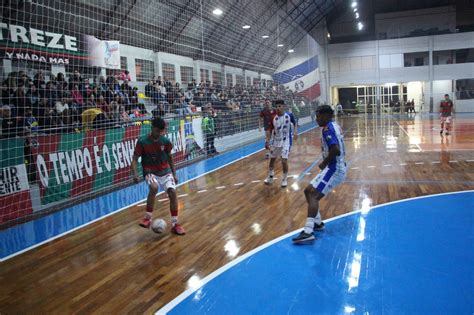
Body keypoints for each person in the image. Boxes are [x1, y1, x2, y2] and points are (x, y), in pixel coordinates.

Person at [292, 105, 347, 244]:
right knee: (307, 191)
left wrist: (324, 163)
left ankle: (308, 231)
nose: (317, 119)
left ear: (327, 116)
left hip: (334, 168)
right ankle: (318, 223)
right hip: (331, 167)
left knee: (314, 196)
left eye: (319, 116)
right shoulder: (333, 125)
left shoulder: (328, 129)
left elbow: (336, 150)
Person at [131, 117, 186, 235]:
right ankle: (147, 218)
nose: (159, 133)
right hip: (150, 171)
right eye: (157, 131)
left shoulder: (165, 142)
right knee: (154, 187)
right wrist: (135, 174)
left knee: (172, 192)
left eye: (161, 131)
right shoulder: (142, 142)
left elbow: (170, 157)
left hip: (165, 171)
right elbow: (135, 159)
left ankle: (175, 224)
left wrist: (174, 174)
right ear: (152, 128)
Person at [264, 100, 297, 188]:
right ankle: (270, 176)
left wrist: (295, 132)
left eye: (279, 106)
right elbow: (270, 131)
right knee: (272, 160)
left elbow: (295, 122)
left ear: (283, 106)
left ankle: (284, 179)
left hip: (286, 141)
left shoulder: (289, 115)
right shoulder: (273, 118)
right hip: (276, 142)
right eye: (276, 106)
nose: (278, 108)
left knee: (284, 160)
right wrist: (267, 141)